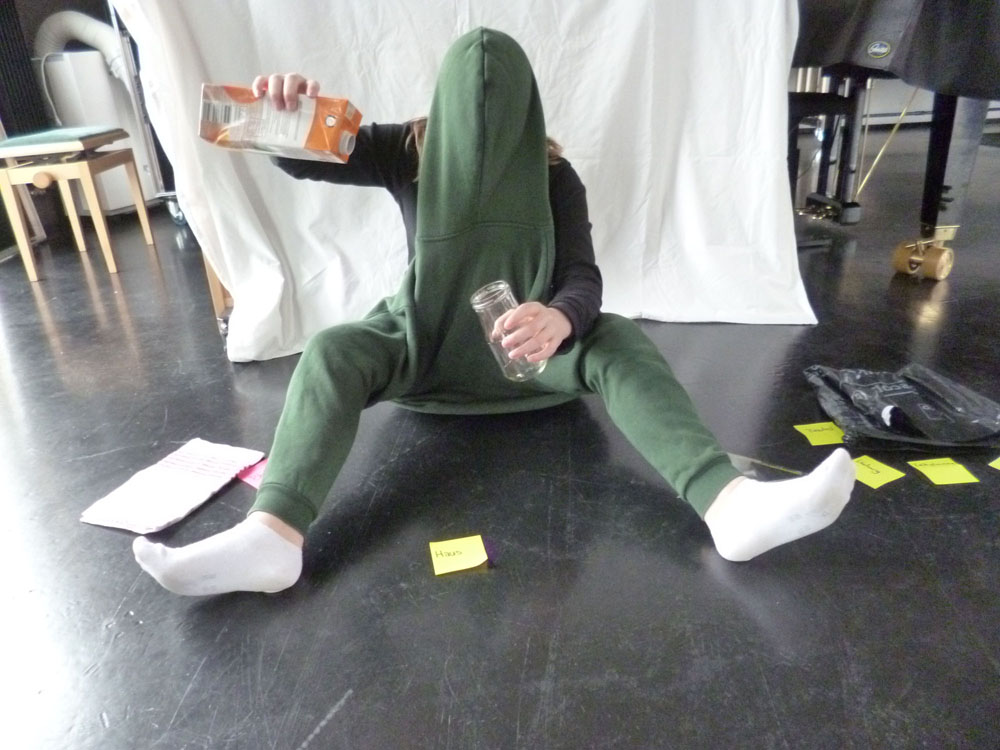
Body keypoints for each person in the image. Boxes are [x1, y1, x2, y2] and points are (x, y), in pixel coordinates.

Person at [133, 28, 856, 596]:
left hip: (530, 363)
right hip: (424, 350)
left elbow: (583, 275)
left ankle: (729, 506)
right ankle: (273, 535)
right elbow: (307, 157)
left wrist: (561, 319)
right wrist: (281, 118)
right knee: (331, 350)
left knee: (618, 339)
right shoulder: (407, 148)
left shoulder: (554, 173)